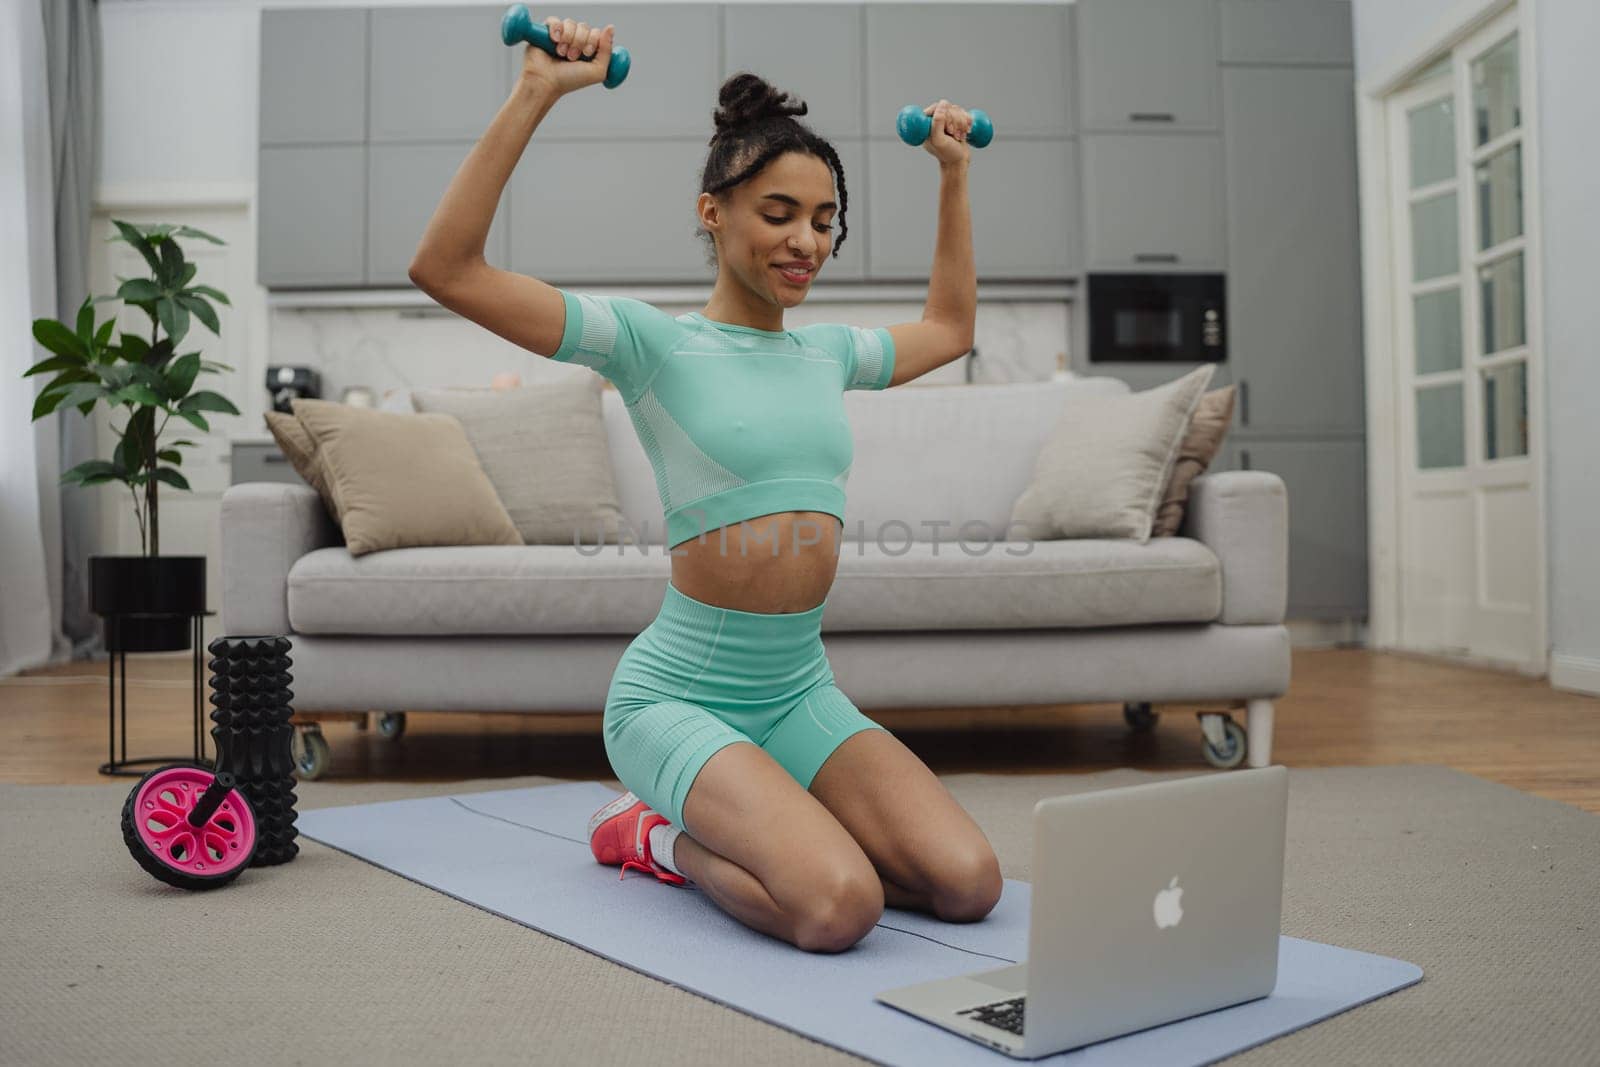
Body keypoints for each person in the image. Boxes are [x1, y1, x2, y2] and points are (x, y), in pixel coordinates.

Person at [409, 15, 1001, 954]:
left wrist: (954, 171)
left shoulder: (829, 351)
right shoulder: (651, 344)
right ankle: (653, 834)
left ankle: (778, 816)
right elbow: (446, 268)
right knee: (836, 907)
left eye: (823, 220)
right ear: (712, 211)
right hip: (676, 698)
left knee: (970, 883)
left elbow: (951, 327)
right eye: (778, 214)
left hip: (798, 688)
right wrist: (537, 91)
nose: (806, 240)